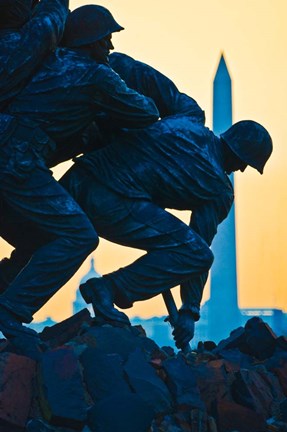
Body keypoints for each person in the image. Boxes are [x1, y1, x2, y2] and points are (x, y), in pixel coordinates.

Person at [0, 5, 159, 358]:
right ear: (89, 42)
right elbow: (145, 112)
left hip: (12, 154)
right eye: (106, 40)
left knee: (39, 239)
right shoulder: (94, 76)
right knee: (78, 236)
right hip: (16, 160)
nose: (111, 49)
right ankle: (10, 312)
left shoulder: (45, 62)